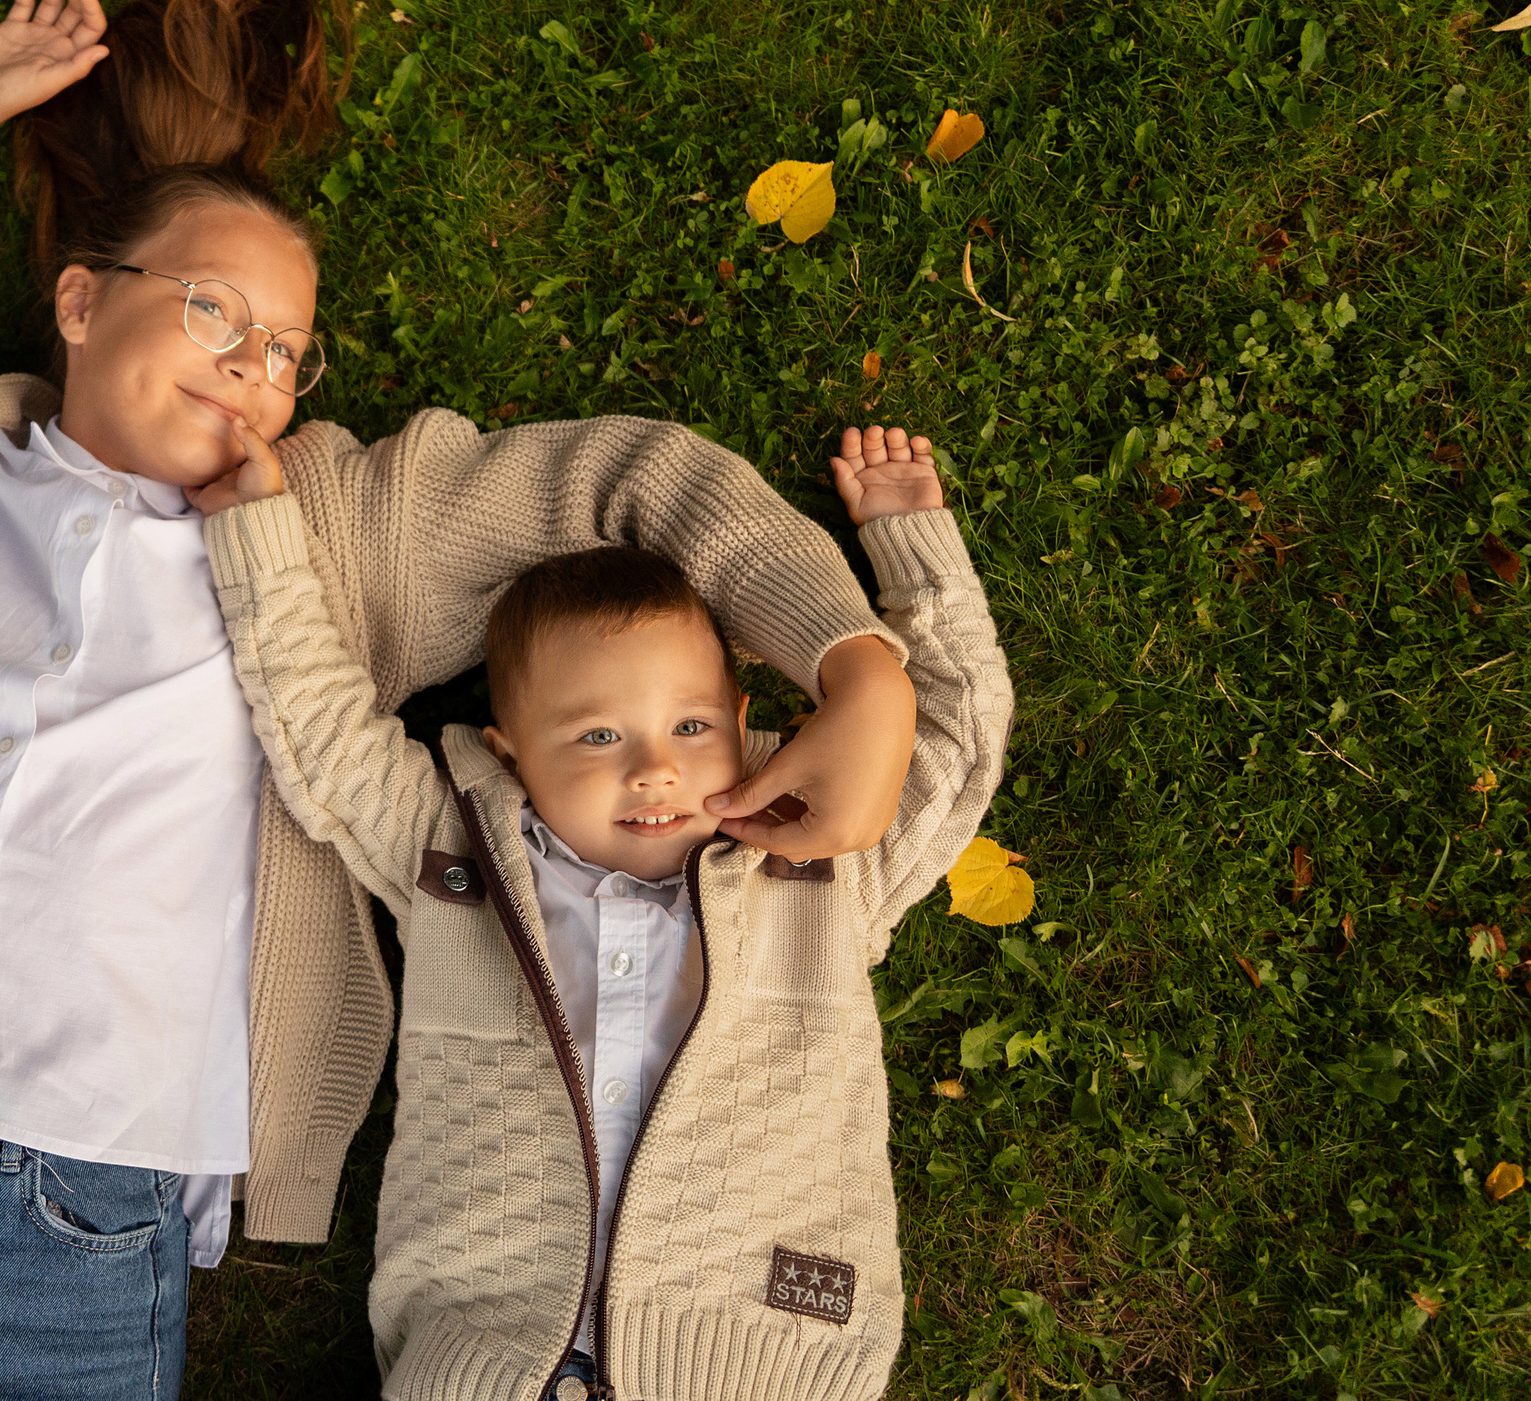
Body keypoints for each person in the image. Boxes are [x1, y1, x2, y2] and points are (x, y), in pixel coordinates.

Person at [0, 0, 924, 1399]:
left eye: (287, 352)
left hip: (74, 1222)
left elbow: (634, 480)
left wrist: (852, 660)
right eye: (212, 315)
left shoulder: (339, 525)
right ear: (75, 300)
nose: (254, 368)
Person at [191, 421, 1013, 1401]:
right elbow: (317, 726)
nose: (654, 766)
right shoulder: (449, 850)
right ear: (507, 756)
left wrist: (911, 539)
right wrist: (257, 534)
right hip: (482, 1361)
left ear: (744, 727)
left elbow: (955, 737)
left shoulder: (815, 865)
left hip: (757, 1357)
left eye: (692, 726)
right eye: (594, 735)